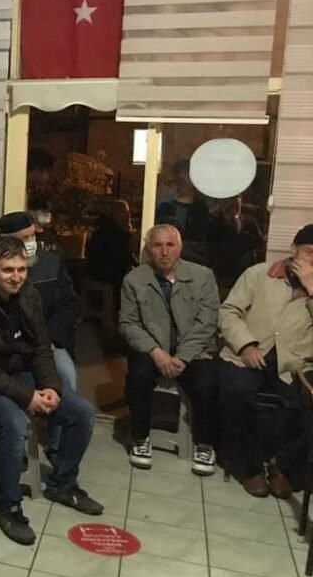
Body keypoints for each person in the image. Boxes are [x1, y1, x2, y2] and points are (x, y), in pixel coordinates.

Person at [0, 236, 103, 546]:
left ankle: (62, 484)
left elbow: (41, 347)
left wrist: (50, 386)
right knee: (14, 424)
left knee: (81, 412)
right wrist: (26, 396)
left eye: (21, 269)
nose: (16, 277)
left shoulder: (28, 295)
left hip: (19, 375)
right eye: (8, 270)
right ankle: (8, 506)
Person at [218, 224, 313, 498]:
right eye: (309, 252)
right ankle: (250, 468)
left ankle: (284, 467)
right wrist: (245, 344)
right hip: (251, 353)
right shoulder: (259, 274)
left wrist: (311, 288)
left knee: (305, 404)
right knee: (234, 392)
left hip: (297, 362)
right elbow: (229, 311)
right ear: (294, 249)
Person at [118, 224, 220, 475]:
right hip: (152, 348)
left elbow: (207, 322)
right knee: (138, 376)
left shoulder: (203, 276)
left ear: (180, 248)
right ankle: (140, 437)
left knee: (208, 382)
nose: (164, 252)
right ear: (148, 250)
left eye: (170, 245)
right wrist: (156, 352)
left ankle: (205, 444)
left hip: (193, 350)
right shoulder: (134, 280)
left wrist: (182, 357)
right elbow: (128, 323)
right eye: (157, 245)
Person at [0, 212, 81, 393]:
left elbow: (69, 303)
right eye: (24, 238)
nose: (30, 242)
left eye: (32, 235)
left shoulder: (51, 263)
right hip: (4, 345)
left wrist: (50, 337)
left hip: (46, 341)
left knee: (66, 376)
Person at [206, 195, 265, 297]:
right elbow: (211, 247)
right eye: (230, 203)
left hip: (244, 271)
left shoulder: (249, 221)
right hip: (221, 272)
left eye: (237, 203)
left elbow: (259, 244)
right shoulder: (215, 222)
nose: (234, 206)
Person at [156, 159, 210, 264]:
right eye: (183, 174)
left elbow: (204, 239)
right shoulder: (165, 207)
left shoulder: (202, 207)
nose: (186, 179)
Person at [86, 199, 137, 300]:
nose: (128, 216)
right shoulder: (113, 232)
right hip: (106, 270)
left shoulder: (104, 227)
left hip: (99, 269)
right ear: (117, 214)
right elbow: (121, 254)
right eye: (126, 213)